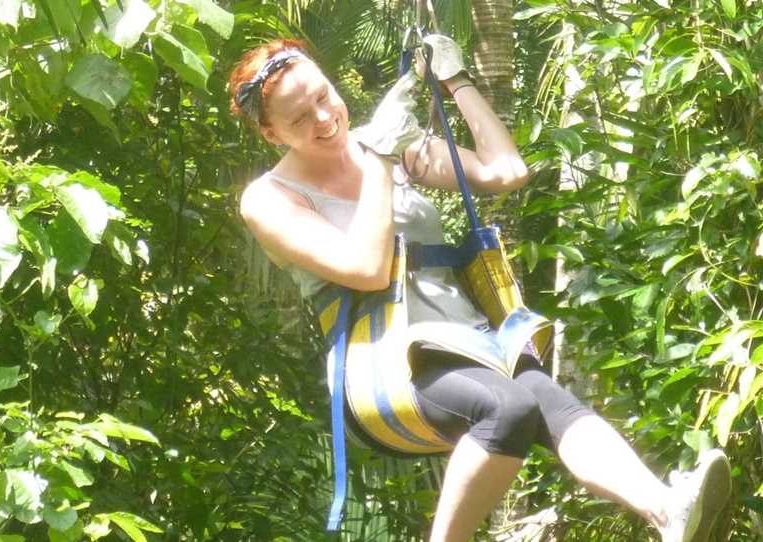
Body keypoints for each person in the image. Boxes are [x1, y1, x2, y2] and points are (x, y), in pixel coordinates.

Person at [228, 36, 731, 542]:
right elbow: (367, 268)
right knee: (507, 408)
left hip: (464, 340)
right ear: (272, 134)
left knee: (547, 400)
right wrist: (380, 156)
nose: (323, 118)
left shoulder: (387, 143)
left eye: (322, 95)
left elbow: (505, 171)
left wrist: (456, 80)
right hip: (387, 363)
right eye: (299, 118)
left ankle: (667, 512)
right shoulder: (270, 199)